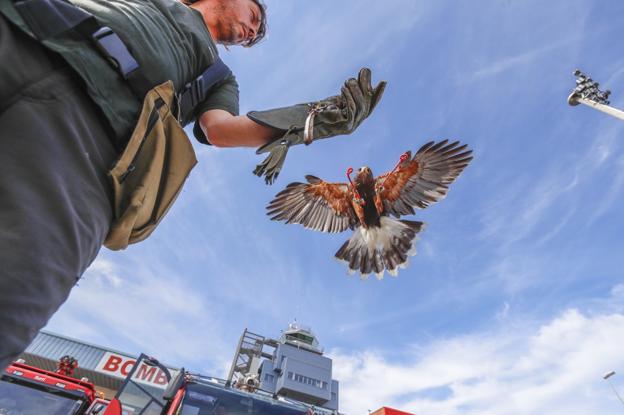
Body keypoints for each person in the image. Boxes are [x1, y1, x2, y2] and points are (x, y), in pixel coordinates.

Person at [0, 0, 385, 369]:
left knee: (16, 291)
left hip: (88, 138)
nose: (253, 31)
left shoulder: (219, 76)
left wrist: (310, 121)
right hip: (27, 31)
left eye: (255, 34)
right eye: (254, 15)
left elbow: (220, 130)